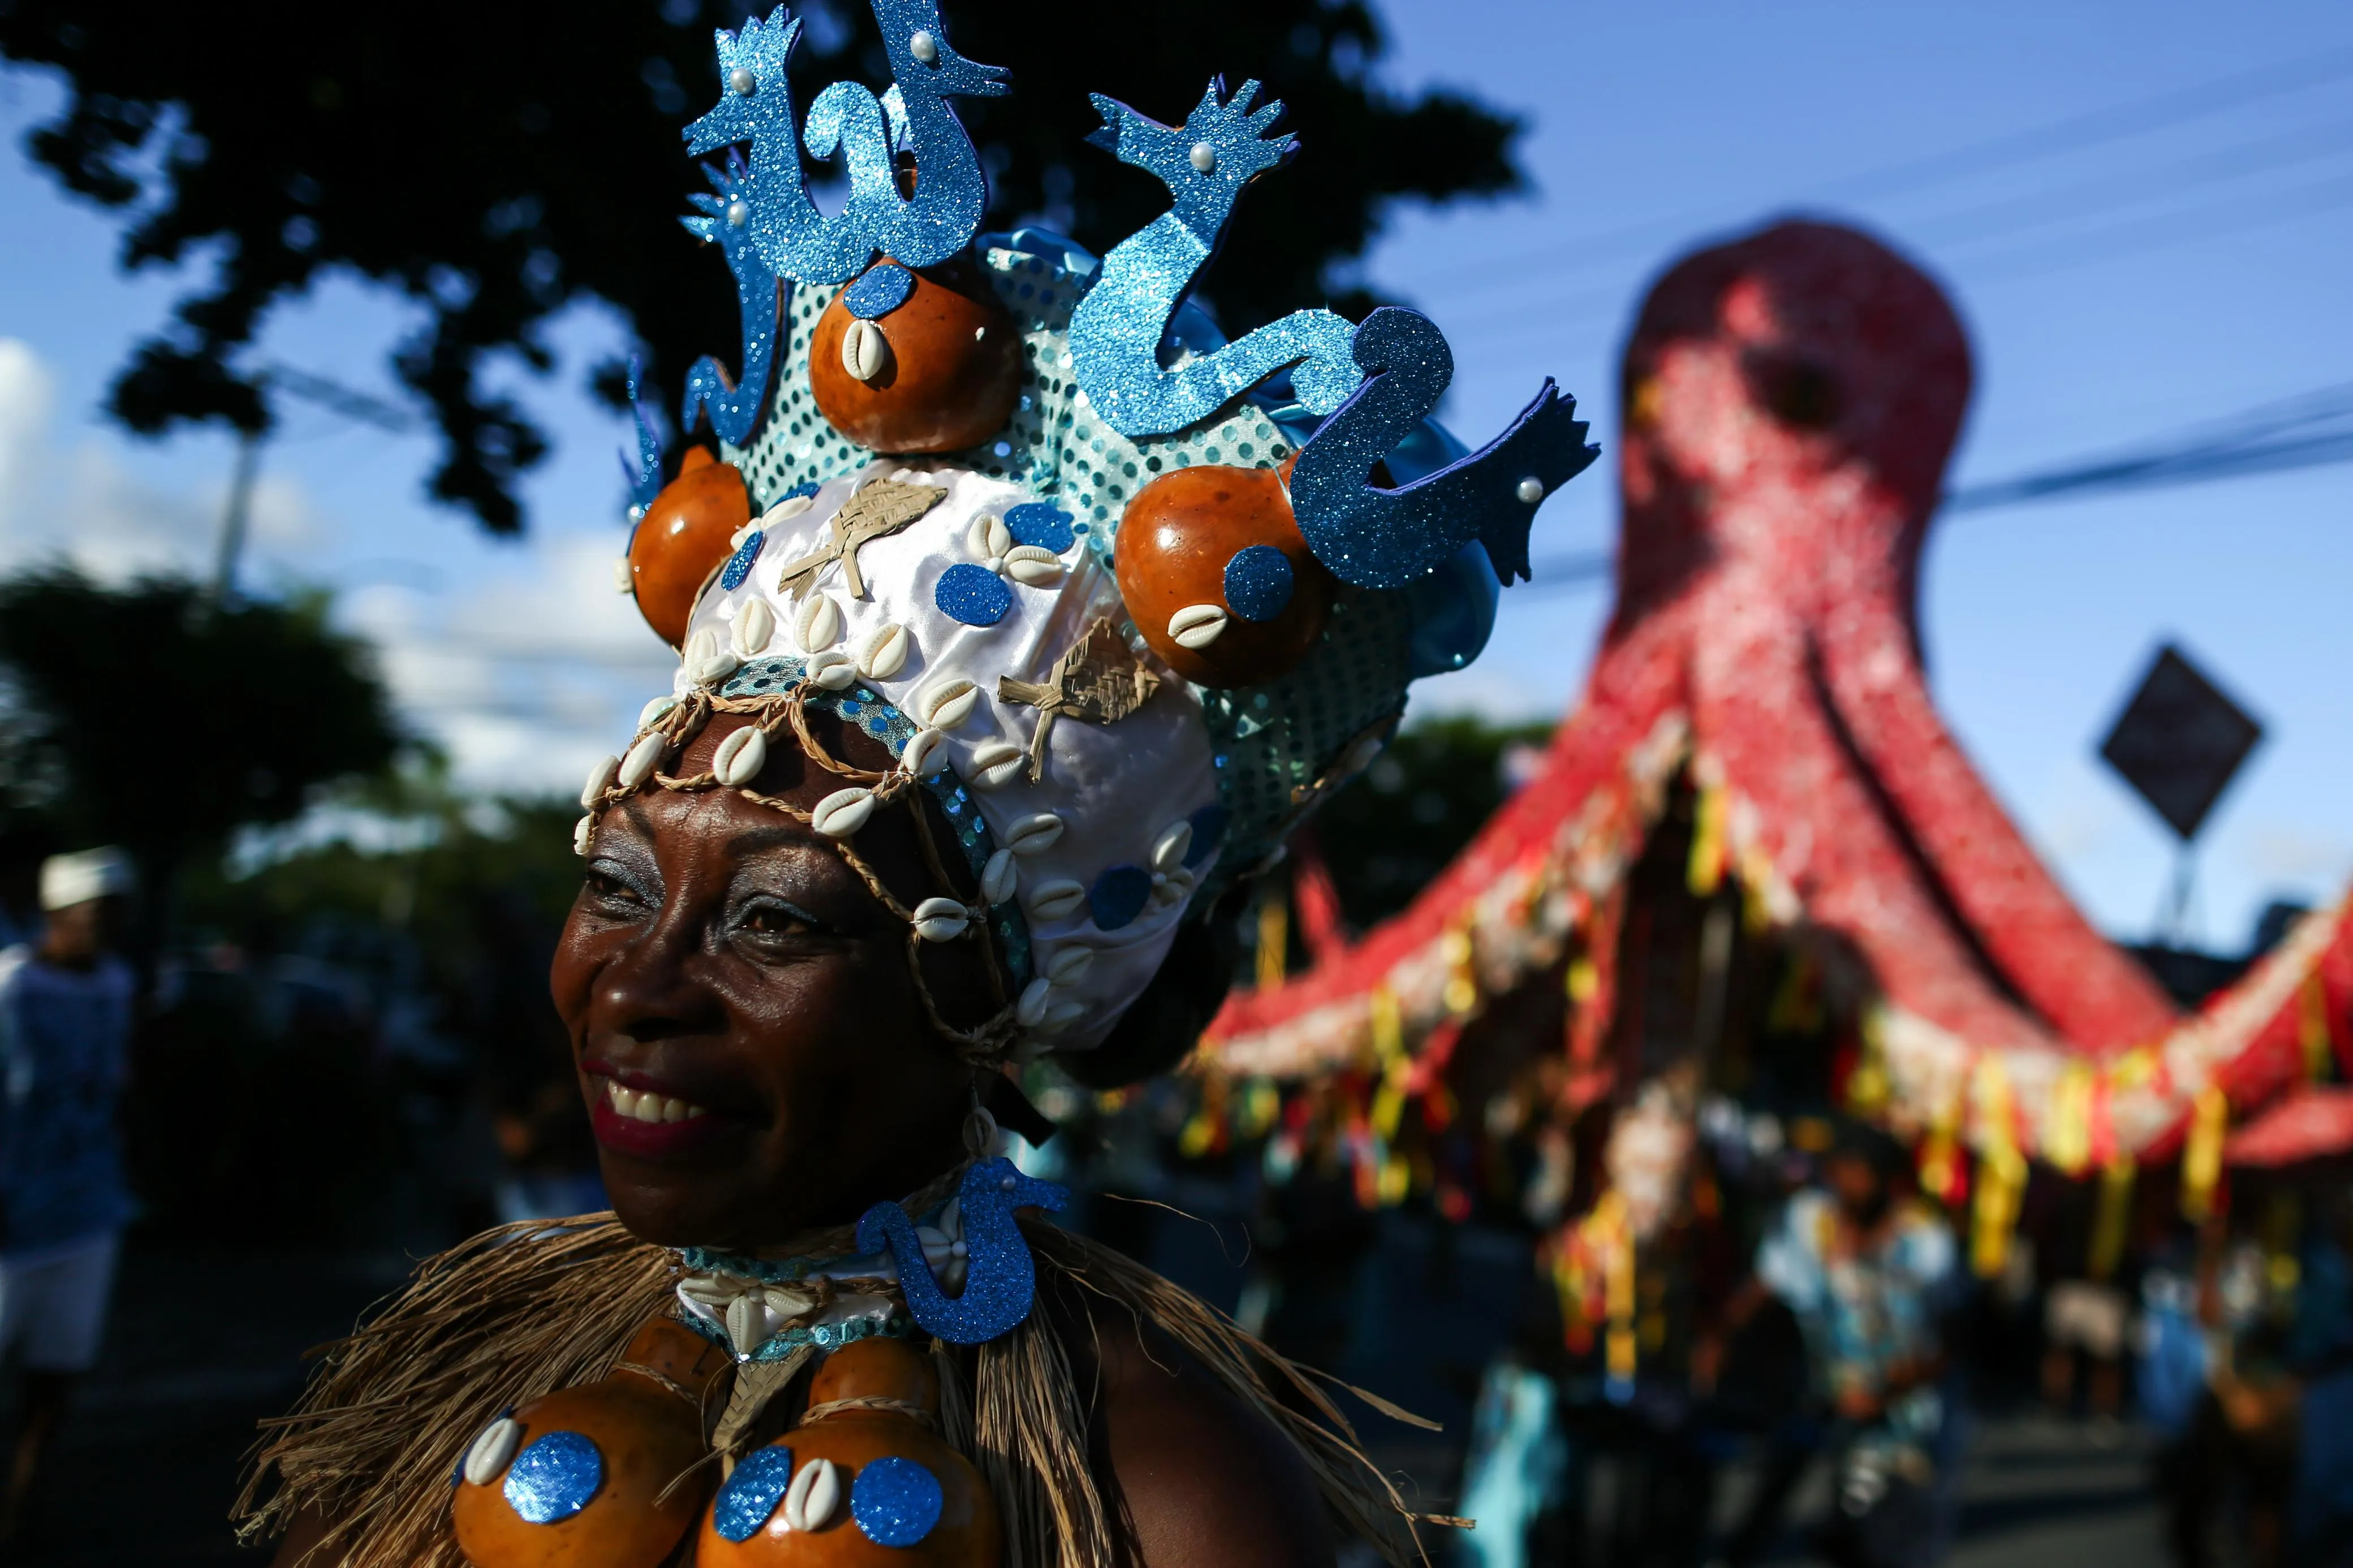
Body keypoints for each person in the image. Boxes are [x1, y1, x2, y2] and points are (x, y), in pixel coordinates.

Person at [235, 5, 1596, 1565]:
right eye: (615, 884)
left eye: (777, 924)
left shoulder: (1158, 1489)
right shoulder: (465, 1384)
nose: (639, 987)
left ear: (1003, 999)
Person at [1699, 1120, 1960, 1568]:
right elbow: (1767, 1282)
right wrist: (1720, 1336)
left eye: (1861, 1172)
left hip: (1900, 1417)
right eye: (1841, 1171)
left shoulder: (1924, 1241)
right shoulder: (1810, 1221)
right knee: (1767, 1507)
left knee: (1878, 1534)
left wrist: (1890, 1390)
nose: (1848, 1183)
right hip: (1821, 1395)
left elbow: (1955, 1339)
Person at [0, 845, 136, 1543]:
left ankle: (23, 1500)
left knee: (56, 1372)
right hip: (11, 1216)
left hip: (87, 1208)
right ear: (58, 913)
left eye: (115, 913)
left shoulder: (117, 982)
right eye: (96, 912)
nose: (107, 926)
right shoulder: (12, 987)